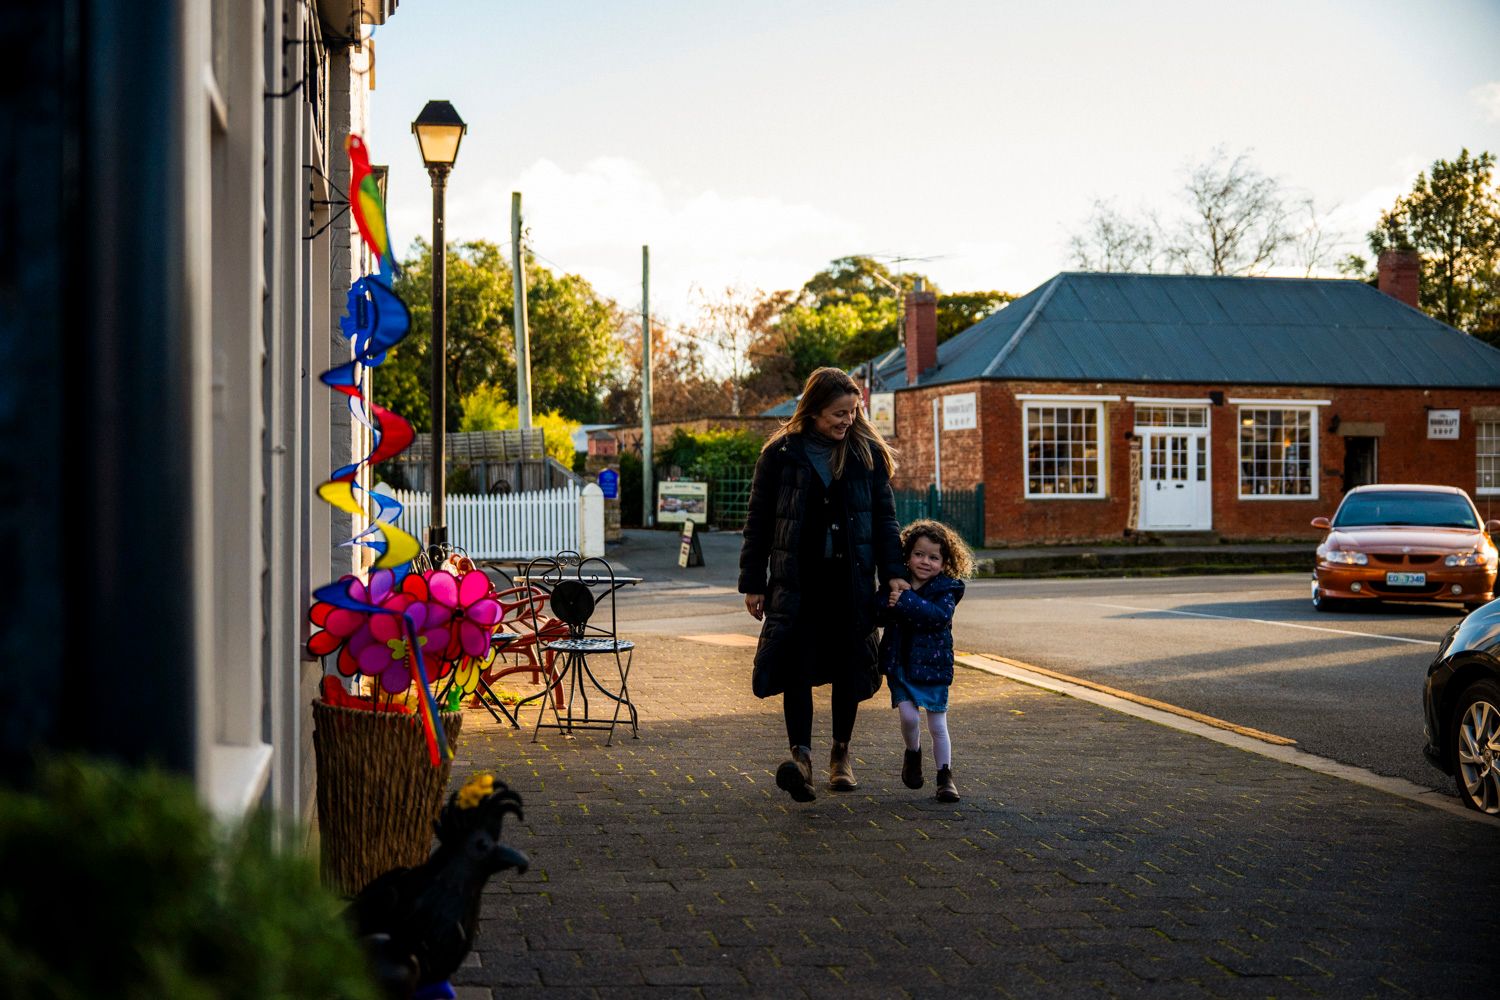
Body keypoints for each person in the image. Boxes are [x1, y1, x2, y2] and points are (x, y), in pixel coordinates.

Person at [739, 367, 907, 802]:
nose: (847, 420)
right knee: (796, 667)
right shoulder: (780, 454)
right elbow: (758, 523)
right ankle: (801, 758)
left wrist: (894, 575)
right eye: (838, 412)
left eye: (853, 411)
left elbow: (886, 523)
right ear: (813, 410)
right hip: (797, 582)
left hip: (850, 581)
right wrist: (753, 582)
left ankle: (841, 754)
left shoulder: (866, 453)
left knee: (848, 667)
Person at [878, 519, 973, 803]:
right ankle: (913, 752)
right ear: (907, 556)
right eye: (919, 554)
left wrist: (904, 601)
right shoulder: (895, 584)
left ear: (944, 563)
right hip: (901, 665)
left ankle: (945, 776)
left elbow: (938, 617)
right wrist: (886, 602)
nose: (925, 562)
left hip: (933, 667)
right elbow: (879, 614)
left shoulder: (947, 589)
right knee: (908, 717)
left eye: (933, 557)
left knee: (937, 725)